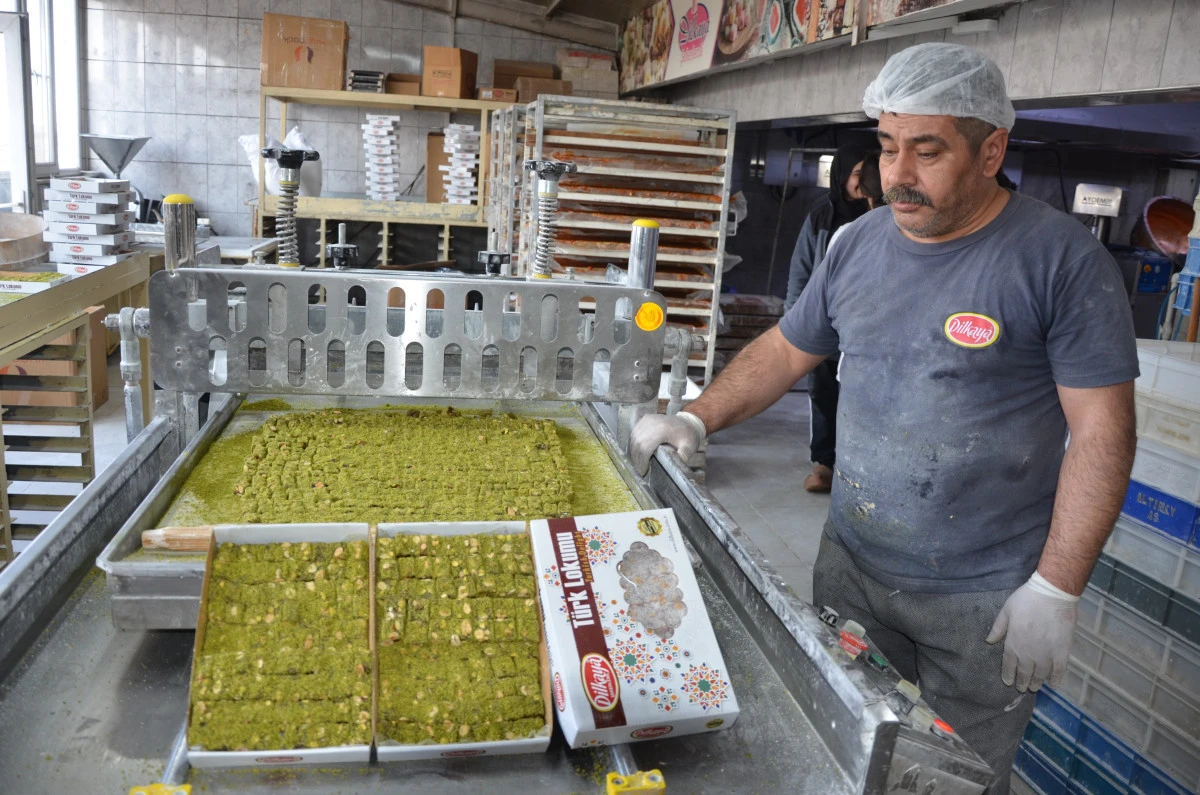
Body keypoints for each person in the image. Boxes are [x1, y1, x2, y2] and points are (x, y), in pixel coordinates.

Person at [629, 42, 1138, 790]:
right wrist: (698, 418)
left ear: (992, 149)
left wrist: (1057, 586)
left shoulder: (1059, 262)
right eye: (889, 146)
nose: (897, 173)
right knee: (842, 749)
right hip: (854, 568)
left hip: (984, 598)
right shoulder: (858, 245)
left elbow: (1103, 432)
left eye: (926, 151)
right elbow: (785, 346)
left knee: (950, 777)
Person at [785, 142, 875, 492]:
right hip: (825, 324)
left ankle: (854, 470)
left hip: (862, 329)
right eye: (857, 174)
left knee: (859, 399)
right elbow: (801, 270)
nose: (863, 182)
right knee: (823, 394)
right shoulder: (822, 216)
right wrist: (795, 319)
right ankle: (823, 464)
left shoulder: (881, 215)